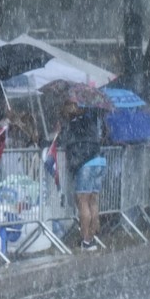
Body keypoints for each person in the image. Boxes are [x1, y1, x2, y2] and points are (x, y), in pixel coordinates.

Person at [60, 99, 107, 251]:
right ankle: (91, 239)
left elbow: (64, 142)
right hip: (99, 161)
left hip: (85, 164)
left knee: (83, 202)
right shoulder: (91, 118)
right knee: (93, 201)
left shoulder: (72, 125)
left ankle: (86, 240)